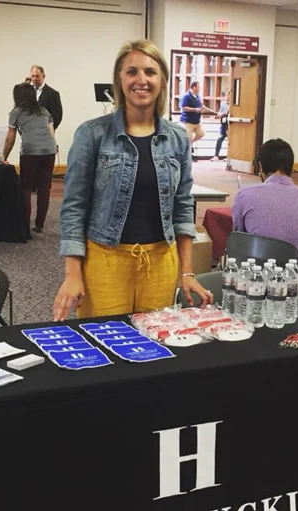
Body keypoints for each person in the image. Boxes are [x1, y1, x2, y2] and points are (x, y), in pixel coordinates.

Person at [53, 39, 213, 321]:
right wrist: (72, 274)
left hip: (161, 262)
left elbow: (183, 206)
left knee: (156, 348)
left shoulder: (177, 138)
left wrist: (186, 272)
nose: (142, 80)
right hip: (106, 262)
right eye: (132, 72)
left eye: (150, 72)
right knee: (106, 347)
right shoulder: (92, 135)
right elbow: (73, 208)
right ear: (119, 78)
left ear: (162, 79)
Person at [232, 138, 298, 280]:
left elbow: (238, 240)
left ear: (260, 166)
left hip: (257, 281)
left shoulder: (244, 195)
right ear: (291, 166)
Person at [2, 83, 57, 234]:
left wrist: (3, 157)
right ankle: (39, 224)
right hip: (50, 150)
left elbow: (9, 140)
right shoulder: (44, 111)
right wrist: (51, 147)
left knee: (26, 187)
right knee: (44, 187)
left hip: (30, 151)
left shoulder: (17, 112)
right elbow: (51, 132)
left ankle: (25, 225)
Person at [27, 65, 63, 130]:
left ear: (43, 76)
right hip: (29, 133)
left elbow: (57, 117)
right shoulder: (28, 92)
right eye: (33, 76)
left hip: (46, 134)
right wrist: (25, 85)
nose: (34, 78)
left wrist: (48, 130)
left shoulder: (52, 94)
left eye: (37, 76)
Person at [210, 90, 230, 162]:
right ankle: (216, 156)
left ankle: (229, 156)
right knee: (219, 139)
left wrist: (224, 114)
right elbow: (219, 112)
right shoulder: (223, 103)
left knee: (230, 141)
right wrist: (220, 114)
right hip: (223, 124)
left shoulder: (232, 105)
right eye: (226, 95)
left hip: (229, 124)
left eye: (228, 95)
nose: (227, 96)